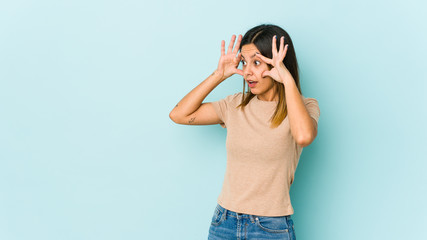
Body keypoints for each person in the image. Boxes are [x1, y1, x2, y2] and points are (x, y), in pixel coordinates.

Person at [169, 24, 320, 240]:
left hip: (270, 226)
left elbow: (304, 136)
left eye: (257, 62)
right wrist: (218, 75)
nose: (247, 71)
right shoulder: (235, 105)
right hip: (224, 221)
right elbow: (179, 115)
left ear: (278, 63)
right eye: (244, 62)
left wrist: (286, 79)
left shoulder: (304, 106)